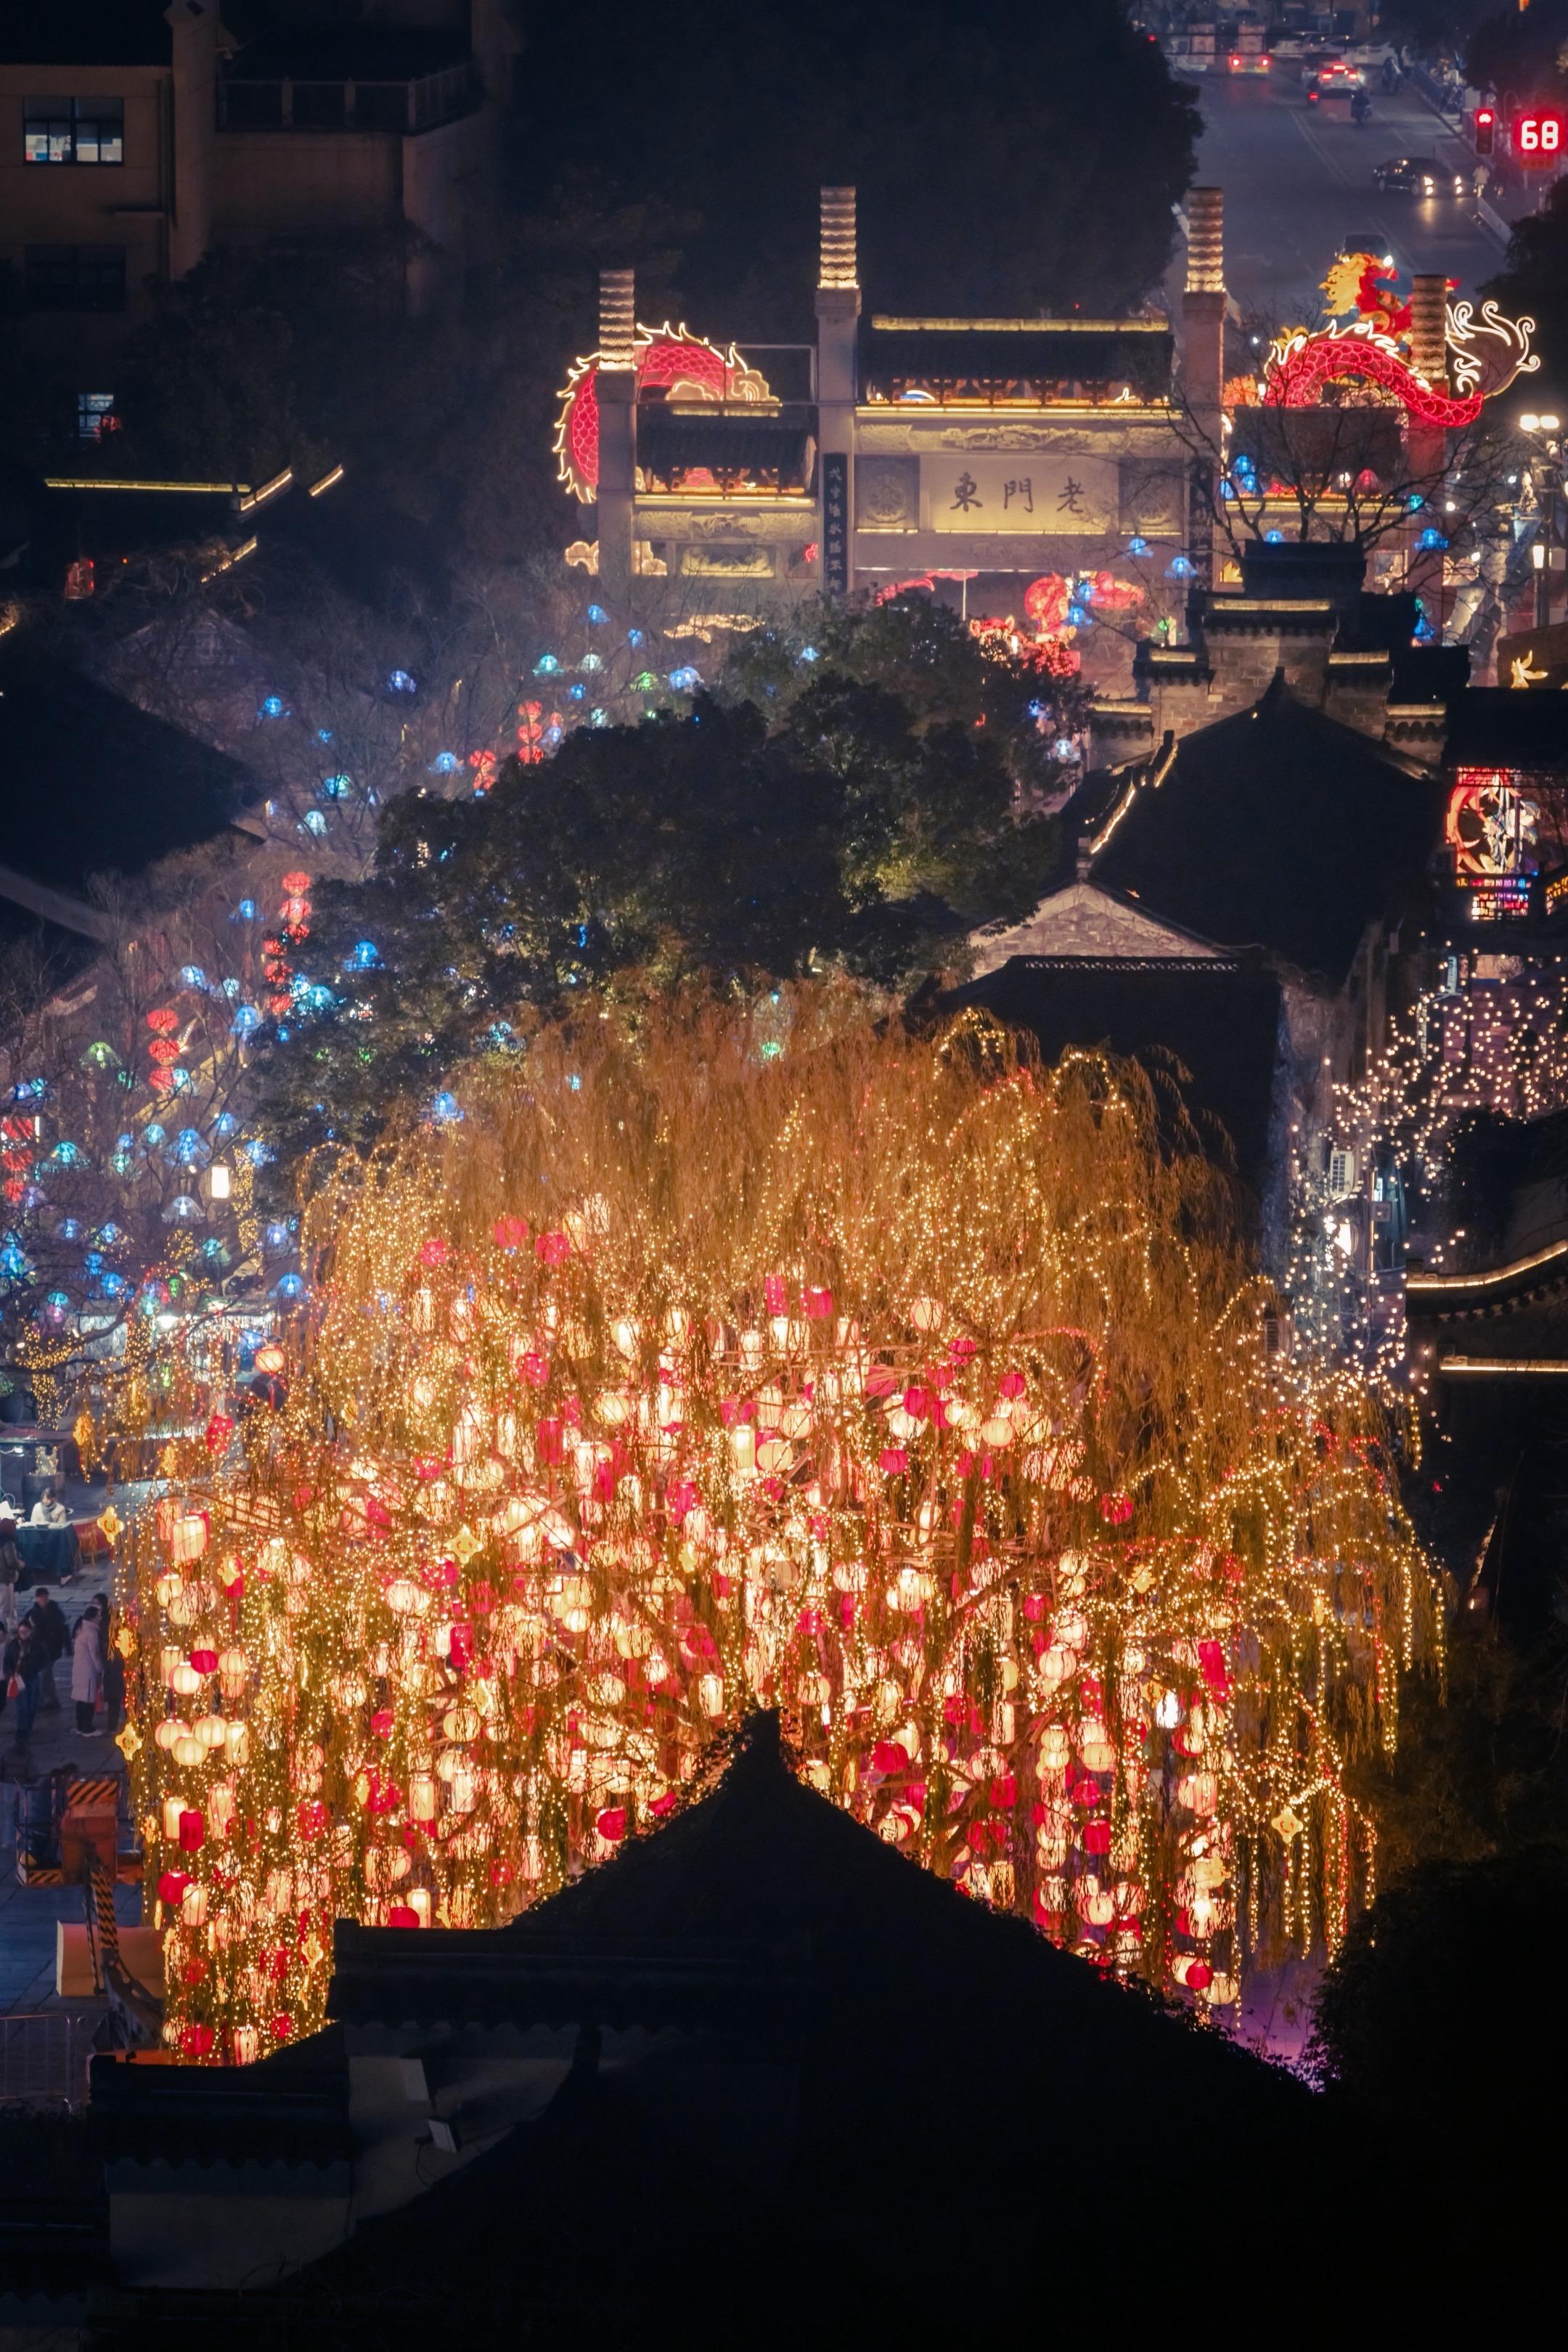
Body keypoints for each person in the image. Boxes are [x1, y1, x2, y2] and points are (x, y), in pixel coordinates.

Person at [2, 1619, 49, 1745]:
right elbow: (7, 1661)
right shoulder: (13, 1645)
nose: (23, 1634)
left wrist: (36, 1668)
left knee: (32, 1704)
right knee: (22, 1705)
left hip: (32, 1677)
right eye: (21, 1632)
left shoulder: (37, 1644)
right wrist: (10, 1673)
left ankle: (28, 1727)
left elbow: (45, 1659)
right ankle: (22, 1730)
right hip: (18, 1678)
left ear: (30, 1631)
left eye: (25, 1632)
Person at [22, 1585, 67, 1711]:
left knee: (45, 1675)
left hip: (51, 1649)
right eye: (41, 1598)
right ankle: (53, 1701)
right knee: (47, 1675)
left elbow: (62, 1629)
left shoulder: (55, 1612)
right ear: (37, 1599)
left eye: (45, 1598)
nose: (44, 1600)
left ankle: (41, 1701)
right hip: (40, 1649)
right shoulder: (32, 1614)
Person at [70, 1600, 105, 1736]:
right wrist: (100, 1668)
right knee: (88, 1700)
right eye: (99, 1615)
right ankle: (87, 1728)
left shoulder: (81, 1629)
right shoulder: (91, 1633)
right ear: (93, 1617)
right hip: (88, 1672)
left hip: (79, 1670)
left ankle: (81, 1726)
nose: (100, 1618)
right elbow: (94, 1653)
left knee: (81, 1700)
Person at [0, 1513, 20, 1635]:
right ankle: (3, 1630)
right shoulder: (7, 1542)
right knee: (6, 1606)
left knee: (8, 1604)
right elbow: (12, 1561)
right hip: (5, 1578)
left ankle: (12, 1626)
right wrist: (21, 1564)